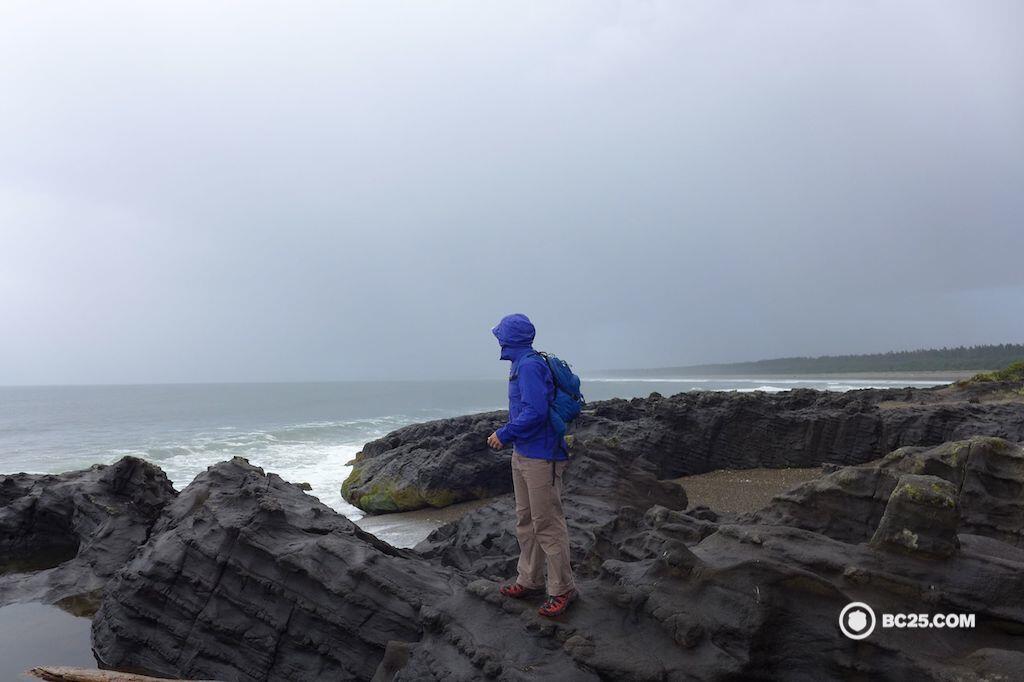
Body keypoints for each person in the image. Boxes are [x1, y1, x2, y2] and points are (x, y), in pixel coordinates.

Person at [486, 313, 576, 617]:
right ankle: (529, 580)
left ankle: (562, 589)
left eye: (500, 335)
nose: (498, 340)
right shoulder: (520, 364)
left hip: (542, 456)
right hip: (523, 453)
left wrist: (504, 433)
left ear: (509, 338)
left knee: (547, 523)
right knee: (526, 519)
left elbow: (536, 411)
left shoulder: (529, 366)